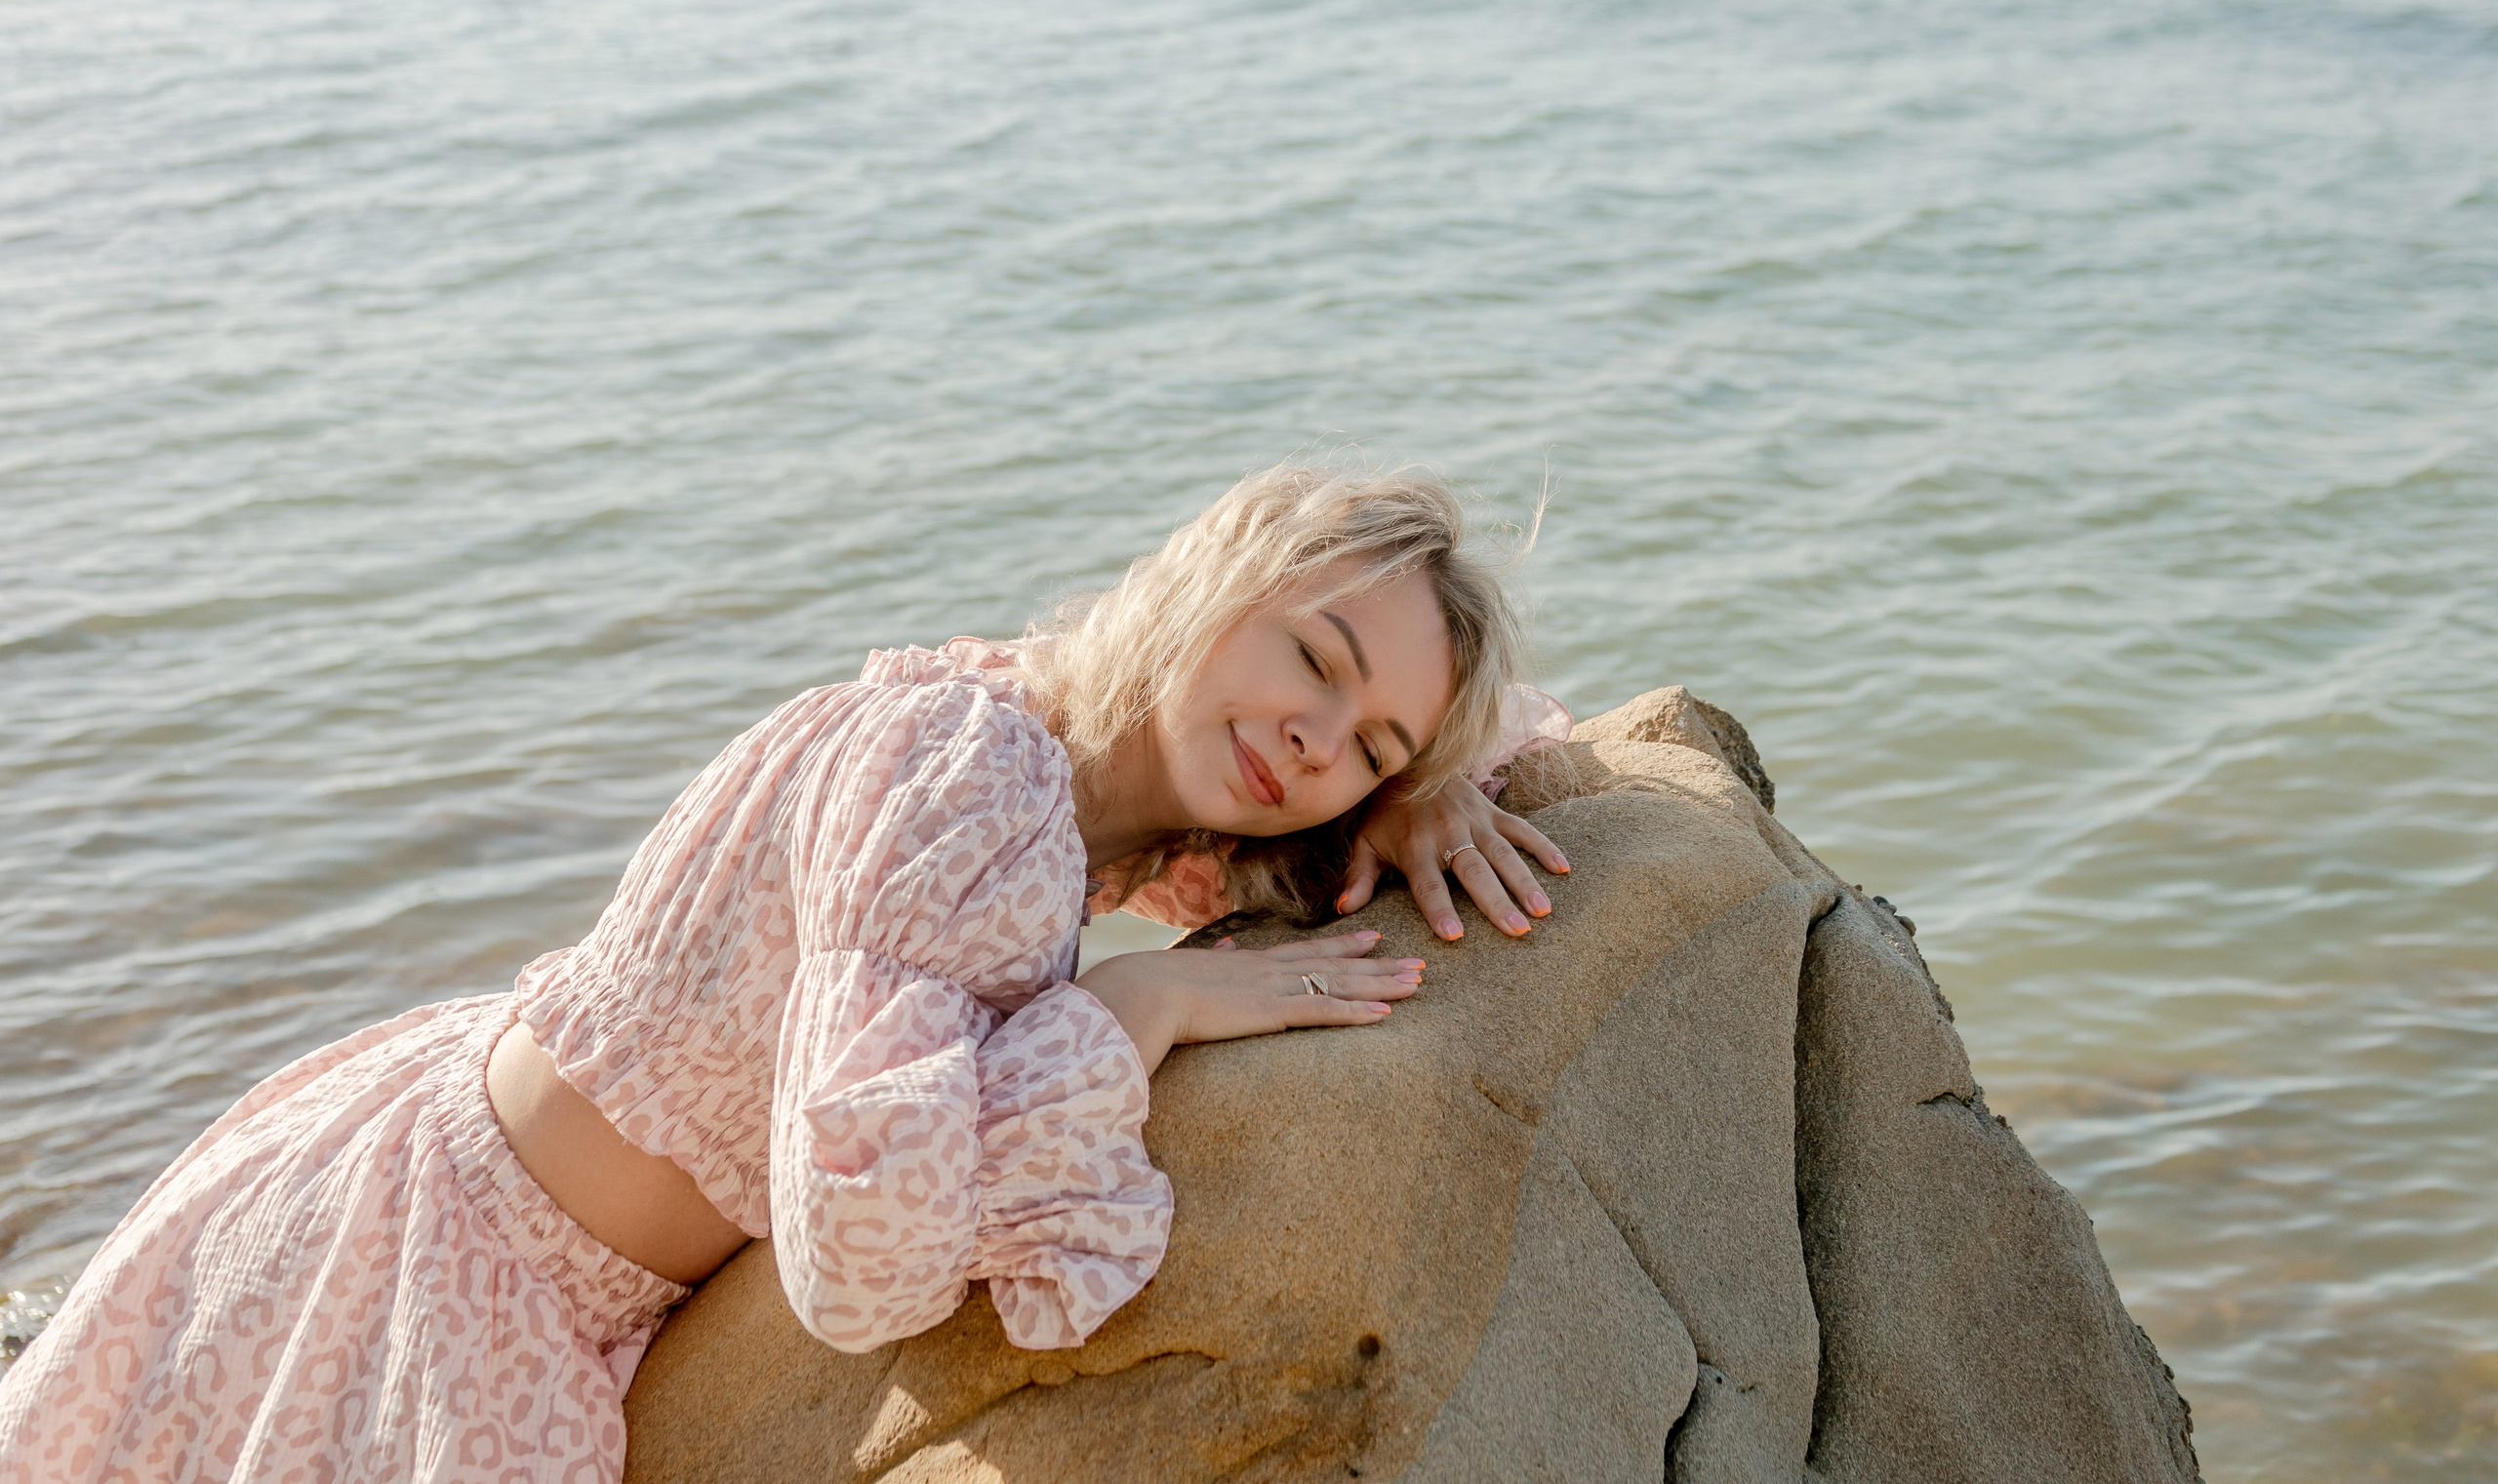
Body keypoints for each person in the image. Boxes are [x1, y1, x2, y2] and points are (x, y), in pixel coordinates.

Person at [0, 463, 1571, 1483]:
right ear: (1214, 585)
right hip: (449, 1261)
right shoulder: (974, 785)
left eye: (1366, 743)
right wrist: (1132, 1012)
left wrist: (1431, 780)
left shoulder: (1085, 766)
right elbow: (857, 1268)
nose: (1318, 737)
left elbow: (1531, 731)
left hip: (489, 1196)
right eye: (1313, 657)